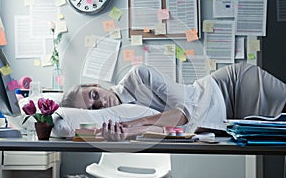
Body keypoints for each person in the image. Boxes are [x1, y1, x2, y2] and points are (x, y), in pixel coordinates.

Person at [61, 62, 286, 141]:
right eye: (92, 108)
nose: (100, 104)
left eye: (93, 95)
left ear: (96, 85)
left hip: (231, 87)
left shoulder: (138, 76)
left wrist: (133, 127)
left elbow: (185, 111)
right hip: (225, 120)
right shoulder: (119, 115)